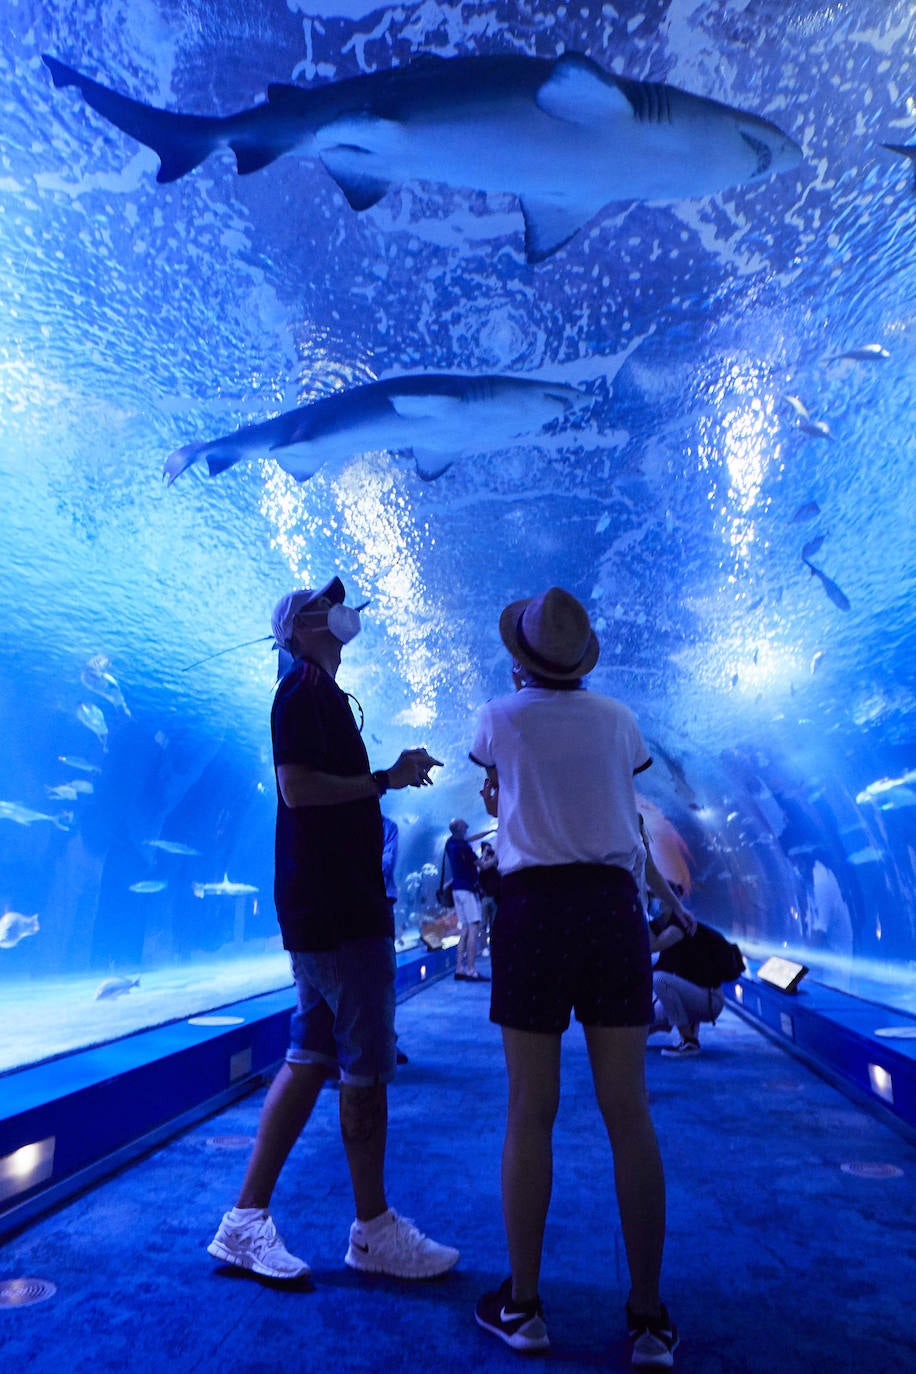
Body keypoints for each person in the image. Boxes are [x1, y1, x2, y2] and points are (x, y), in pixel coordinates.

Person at [208, 577, 458, 1283]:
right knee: (366, 1067)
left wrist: (391, 775)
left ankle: (244, 1221)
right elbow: (298, 787)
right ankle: (373, 1229)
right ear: (299, 628)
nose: (336, 610)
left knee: (310, 1054)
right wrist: (381, 781)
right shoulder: (301, 691)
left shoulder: (321, 695)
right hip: (338, 914)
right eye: (322, 604)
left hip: (325, 908)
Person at [469, 586, 678, 1369]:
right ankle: (649, 1319)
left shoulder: (499, 717)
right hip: (612, 908)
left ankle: (523, 1307)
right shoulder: (620, 720)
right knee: (630, 1111)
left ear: (520, 658)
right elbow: (615, 797)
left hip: (533, 911)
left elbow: (500, 788)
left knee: (531, 1107)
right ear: (579, 657)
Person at [648, 917, 728, 1057]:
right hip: (699, 997)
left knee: (659, 979)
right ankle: (690, 1031)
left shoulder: (678, 929)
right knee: (643, 1022)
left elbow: (652, 948)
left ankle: (688, 1039)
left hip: (709, 1000)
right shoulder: (666, 926)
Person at [445, 817, 486, 980]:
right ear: (460, 829)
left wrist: (489, 832)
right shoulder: (464, 847)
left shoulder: (450, 843)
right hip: (468, 890)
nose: (468, 826)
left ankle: (459, 968)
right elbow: (482, 865)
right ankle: (471, 969)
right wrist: (494, 857)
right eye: (464, 825)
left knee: (465, 929)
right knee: (474, 927)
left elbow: (469, 838)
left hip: (457, 890)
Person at [477, 839, 500, 954]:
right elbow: (480, 869)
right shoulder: (480, 862)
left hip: (495, 896)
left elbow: (499, 872)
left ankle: (494, 945)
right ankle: (484, 947)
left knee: (494, 923)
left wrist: (494, 857)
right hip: (485, 897)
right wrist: (484, 856)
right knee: (483, 924)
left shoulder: (495, 862)